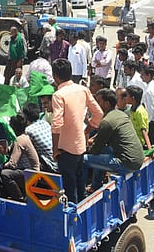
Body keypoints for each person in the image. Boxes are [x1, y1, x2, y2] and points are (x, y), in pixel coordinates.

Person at [51, 58, 100, 204]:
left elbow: (56, 124)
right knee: (80, 184)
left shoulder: (58, 95)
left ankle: (75, 222)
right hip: (80, 147)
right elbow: (98, 113)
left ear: (56, 77)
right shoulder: (82, 89)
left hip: (65, 149)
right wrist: (88, 129)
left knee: (69, 189)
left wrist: (55, 149)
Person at [82, 89, 144, 189]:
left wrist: (86, 148)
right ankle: (96, 185)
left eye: (98, 102)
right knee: (101, 154)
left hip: (126, 163)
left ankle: (81, 192)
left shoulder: (106, 122)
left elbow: (95, 150)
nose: (95, 105)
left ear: (106, 104)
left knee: (83, 160)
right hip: (137, 158)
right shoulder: (121, 114)